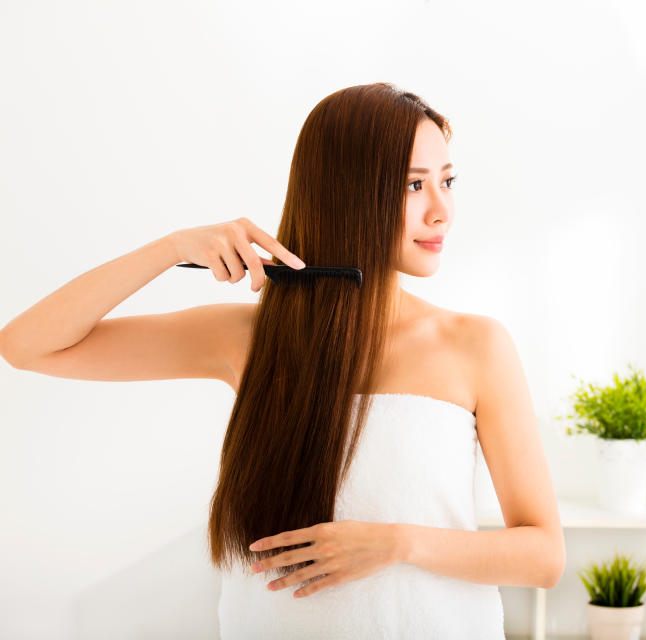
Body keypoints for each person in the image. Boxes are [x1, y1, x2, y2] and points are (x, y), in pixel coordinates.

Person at [0, 82, 565, 639]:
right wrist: (171, 248)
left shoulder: (476, 346)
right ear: (344, 193)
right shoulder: (250, 338)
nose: (442, 211)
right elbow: (27, 345)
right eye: (414, 185)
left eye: (447, 181)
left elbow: (543, 555)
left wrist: (398, 543)